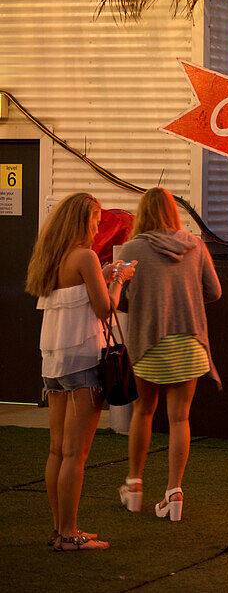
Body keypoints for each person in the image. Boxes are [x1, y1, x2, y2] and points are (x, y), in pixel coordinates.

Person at [26, 192, 135, 551]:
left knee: (57, 451)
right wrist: (119, 279)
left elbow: (74, 294)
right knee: (76, 454)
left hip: (53, 362)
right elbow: (105, 308)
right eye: (95, 219)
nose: (98, 226)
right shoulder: (86, 256)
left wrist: (102, 276)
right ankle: (71, 534)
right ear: (81, 221)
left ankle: (60, 530)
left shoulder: (50, 257)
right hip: (85, 360)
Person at [116, 188, 222, 522]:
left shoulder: (131, 249)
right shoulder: (195, 245)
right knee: (180, 418)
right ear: (174, 212)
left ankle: (134, 485)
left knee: (144, 411)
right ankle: (173, 492)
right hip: (188, 342)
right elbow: (215, 291)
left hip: (148, 342)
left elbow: (120, 298)